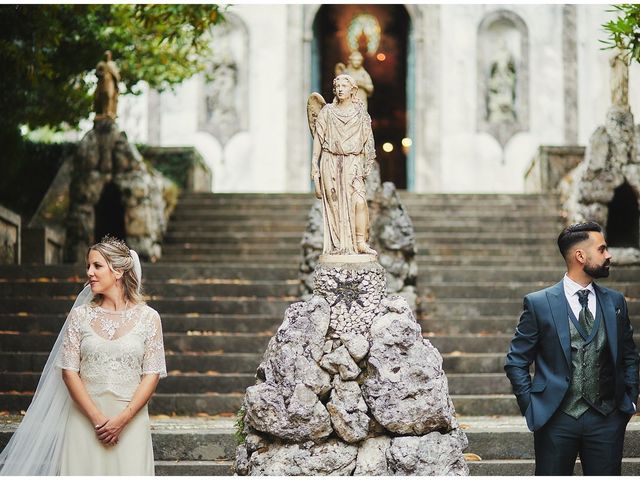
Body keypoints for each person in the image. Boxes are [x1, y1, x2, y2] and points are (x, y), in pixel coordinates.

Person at [0, 236, 166, 475]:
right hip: (84, 419)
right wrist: (97, 419)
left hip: (130, 421)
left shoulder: (149, 318)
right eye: (88, 266)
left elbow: (151, 374)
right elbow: (69, 372)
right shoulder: (79, 316)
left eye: (97, 266)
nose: (89, 272)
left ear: (118, 271)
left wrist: (122, 420)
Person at [505, 221, 639, 475]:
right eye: (602, 249)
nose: (609, 255)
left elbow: (630, 356)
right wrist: (533, 408)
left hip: (607, 419)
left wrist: (629, 402)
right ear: (580, 256)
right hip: (555, 419)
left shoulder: (615, 302)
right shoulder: (539, 303)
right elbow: (516, 361)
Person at [310, 74, 376, 256]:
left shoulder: (360, 113)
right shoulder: (327, 112)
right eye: (337, 86)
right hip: (331, 161)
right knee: (335, 205)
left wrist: (364, 164)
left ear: (353, 90)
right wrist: (314, 164)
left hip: (353, 161)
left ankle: (360, 242)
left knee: (360, 202)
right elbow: (318, 138)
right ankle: (339, 244)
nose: (340, 89)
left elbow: (367, 141)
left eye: (344, 86)